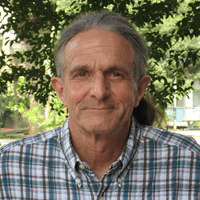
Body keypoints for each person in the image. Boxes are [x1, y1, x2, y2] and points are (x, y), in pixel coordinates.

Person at [0, 11, 199, 200]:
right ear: (61, 91)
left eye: (115, 74)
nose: (99, 91)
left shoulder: (188, 163)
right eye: (82, 74)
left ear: (139, 90)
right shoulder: (9, 167)